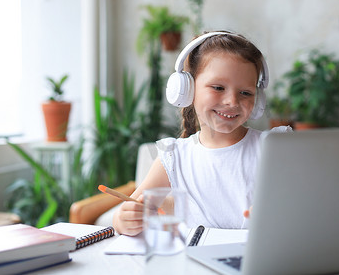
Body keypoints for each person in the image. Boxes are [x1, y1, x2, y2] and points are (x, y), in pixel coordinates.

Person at [113, 31, 292, 236]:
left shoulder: (273, 148)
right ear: (187, 89)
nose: (232, 102)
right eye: (218, 87)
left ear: (258, 99)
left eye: (245, 93)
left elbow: (302, 203)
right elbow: (133, 209)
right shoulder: (174, 156)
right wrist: (122, 220)